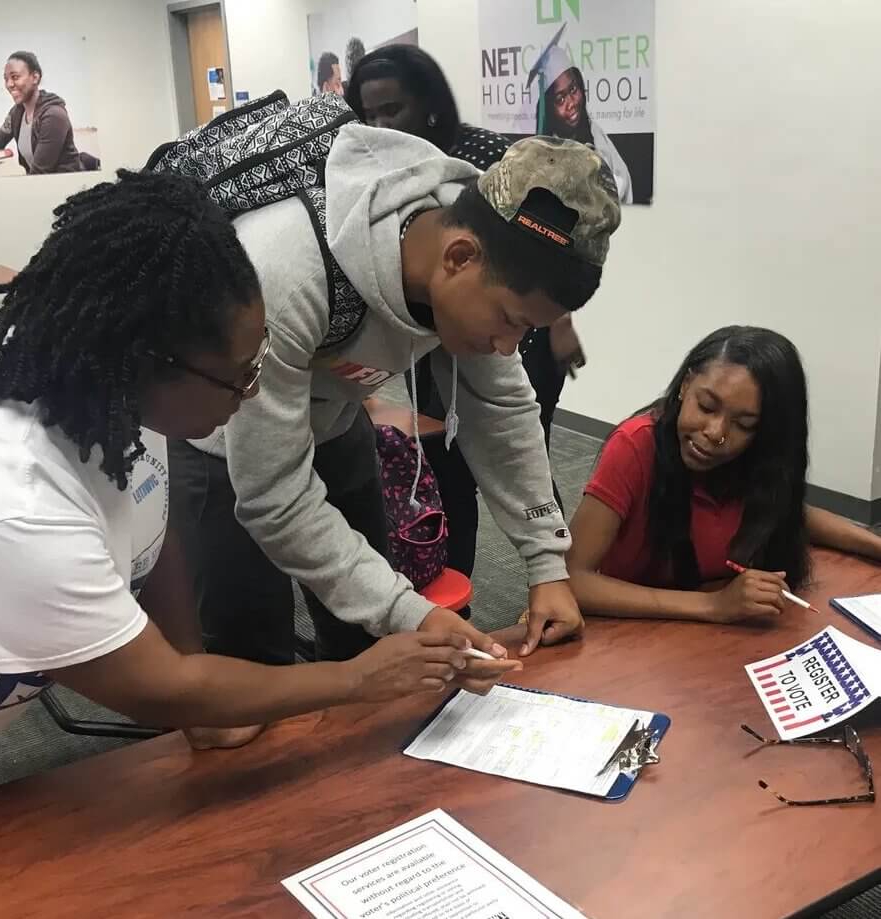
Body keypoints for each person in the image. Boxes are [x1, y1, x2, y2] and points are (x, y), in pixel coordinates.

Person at [0, 169, 479, 798]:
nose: (253, 391)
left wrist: (194, 680)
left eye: (258, 359)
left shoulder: (113, 384)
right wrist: (358, 679)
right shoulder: (18, 503)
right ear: (148, 361)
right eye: (239, 376)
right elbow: (153, 688)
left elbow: (150, 528)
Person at [171, 127, 620, 674]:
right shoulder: (286, 277)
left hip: (335, 423)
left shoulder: (475, 249)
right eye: (508, 322)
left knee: (369, 650)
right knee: (250, 671)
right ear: (459, 257)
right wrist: (412, 612)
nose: (507, 347)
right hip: (220, 442)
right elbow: (275, 498)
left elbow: (503, 413)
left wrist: (547, 565)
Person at [345, 44, 585, 578]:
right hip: (452, 318)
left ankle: (555, 566)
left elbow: (540, 266)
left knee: (511, 446)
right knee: (444, 461)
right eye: (369, 113)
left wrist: (557, 324)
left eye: (392, 109)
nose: (381, 123)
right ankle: (450, 581)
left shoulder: (484, 162)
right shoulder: (359, 211)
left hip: (513, 316)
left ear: (428, 106)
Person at [566, 326, 881, 623]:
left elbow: (790, 513)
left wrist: (874, 546)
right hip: (623, 632)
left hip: (706, 638)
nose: (715, 433)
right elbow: (572, 579)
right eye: (706, 407)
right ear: (685, 386)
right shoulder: (635, 446)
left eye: (744, 425)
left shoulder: (753, 461)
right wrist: (714, 604)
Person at [0, 51, 97, 175]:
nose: (9, 84)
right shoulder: (17, 113)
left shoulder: (53, 116)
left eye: (15, 77)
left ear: (35, 78)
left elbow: (40, 173)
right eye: (6, 78)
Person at [534, 47, 632, 205]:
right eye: (560, 99)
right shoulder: (547, 153)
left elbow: (623, 181)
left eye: (573, 89)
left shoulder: (595, 132)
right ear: (549, 111)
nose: (571, 103)